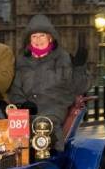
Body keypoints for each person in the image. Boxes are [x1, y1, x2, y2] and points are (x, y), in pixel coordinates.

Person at [7, 14, 87, 151]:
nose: (38, 40)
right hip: (26, 109)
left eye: (42, 35)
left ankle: (50, 159)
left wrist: (79, 68)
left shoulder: (63, 58)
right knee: (6, 131)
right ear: (29, 40)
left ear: (50, 38)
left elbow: (79, 87)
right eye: (34, 36)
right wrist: (21, 103)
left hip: (54, 106)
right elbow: (15, 89)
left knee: (43, 125)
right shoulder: (21, 60)